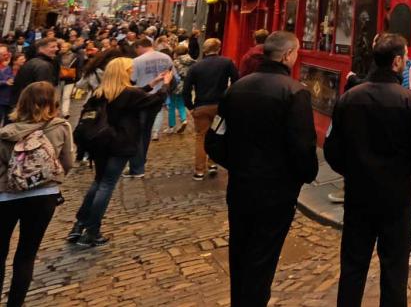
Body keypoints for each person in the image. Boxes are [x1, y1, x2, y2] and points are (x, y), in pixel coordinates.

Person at [325, 33, 411, 307]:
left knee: (352, 265)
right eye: (406, 56)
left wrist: (353, 171)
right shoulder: (410, 101)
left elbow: (332, 149)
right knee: (395, 269)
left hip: (359, 196)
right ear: (397, 61)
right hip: (397, 199)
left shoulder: (349, 98)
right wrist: (404, 173)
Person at [218, 31, 318, 307]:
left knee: (239, 249)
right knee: (264, 255)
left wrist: (238, 163)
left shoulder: (235, 88)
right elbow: (303, 145)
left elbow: (215, 138)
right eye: (296, 52)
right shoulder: (295, 92)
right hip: (276, 190)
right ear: (287, 55)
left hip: (240, 185)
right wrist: (303, 176)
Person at [69, 57, 171, 247]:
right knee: (106, 185)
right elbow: (153, 102)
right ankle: (92, 231)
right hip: (120, 143)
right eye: (130, 69)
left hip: (100, 144)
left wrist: (153, 83)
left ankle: (79, 225)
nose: (133, 72)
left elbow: (137, 95)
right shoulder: (128, 94)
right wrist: (165, 85)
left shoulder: (101, 93)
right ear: (123, 72)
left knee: (99, 182)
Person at [0, 82, 74, 306]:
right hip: (44, 195)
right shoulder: (61, 127)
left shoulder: (7, 133)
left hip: (6, 196)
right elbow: (67, 162)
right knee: (26, 254)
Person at [183, 38, 239, 180]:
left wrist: (190, 106)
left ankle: (199, 170)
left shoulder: (196, 67)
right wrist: (229, 98)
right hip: (219, 106)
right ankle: (213, 163)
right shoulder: (227, 63)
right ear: (219, 48)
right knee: (218, 135)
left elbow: (186, 88)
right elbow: (236, 81)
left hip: (201, 106)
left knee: (201, 137)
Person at [128, 36, 174, 176]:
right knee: (147, 130)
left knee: (137, 132)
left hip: (142, 97)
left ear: (140, 47)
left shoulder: (137, 61)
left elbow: (132, 80)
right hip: (159, 96)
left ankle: (137, 167)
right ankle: (141, 160)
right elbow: (172, 77)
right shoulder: (167, 58)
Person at [10, 38, 57, 103]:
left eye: (56, 46)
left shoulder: (30, 62)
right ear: (41, 49)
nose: (56, 49)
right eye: (52, 47)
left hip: (23, 102)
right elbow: (44, 91)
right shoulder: (44, 65)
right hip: (33, 105)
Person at [0, 54, 14, 125]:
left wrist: (11, 79)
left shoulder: (8, 67)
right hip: (1, 98)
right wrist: (5, 82)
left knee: (8, 119)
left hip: (8, 98)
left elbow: (10, 77)